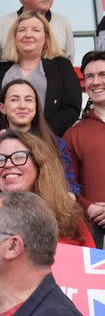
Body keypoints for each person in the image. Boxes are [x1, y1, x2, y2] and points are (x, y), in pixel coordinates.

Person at [0, 130, 94, 302]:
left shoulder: (69, 218)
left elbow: (91, 278)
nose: (7, 165)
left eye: (18, 157)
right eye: (0, 159)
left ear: (40, 164)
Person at [0, 10, 81, 138]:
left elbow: (71, 108)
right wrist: (9, 138)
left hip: (48, 145)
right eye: (22, 30)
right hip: (6, 146)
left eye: (36, 30)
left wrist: (41, 136)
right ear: (14, 37)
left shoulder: (62, 67)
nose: (28, 35)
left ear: (46, 38)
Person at [0, 79, 80, 196]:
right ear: (2, 108)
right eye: (14, 99)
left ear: (36, 106)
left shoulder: (55, 144)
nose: (22, 106)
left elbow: (70, 188)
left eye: (28, 100)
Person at [65, 50, 105, 249]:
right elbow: (67, 185)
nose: (96, 82)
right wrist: (89, 208)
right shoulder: (73, 135)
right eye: (90, 76)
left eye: (102, 75)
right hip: (95, 234)